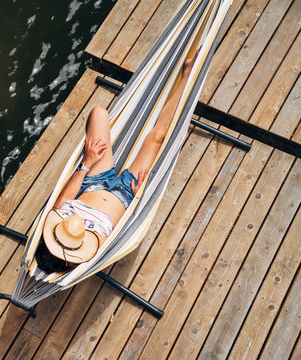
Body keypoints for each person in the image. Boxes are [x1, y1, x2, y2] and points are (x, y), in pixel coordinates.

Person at [37, 50, 200, 272]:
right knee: (157, 138)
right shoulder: (94, 250)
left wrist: (87, 162)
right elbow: (127, 228)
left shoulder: (56, 223)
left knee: (99, 114)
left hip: (93, 181)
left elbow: (65, 198)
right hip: (126, 194)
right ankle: (187, 74)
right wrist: (138, 198)